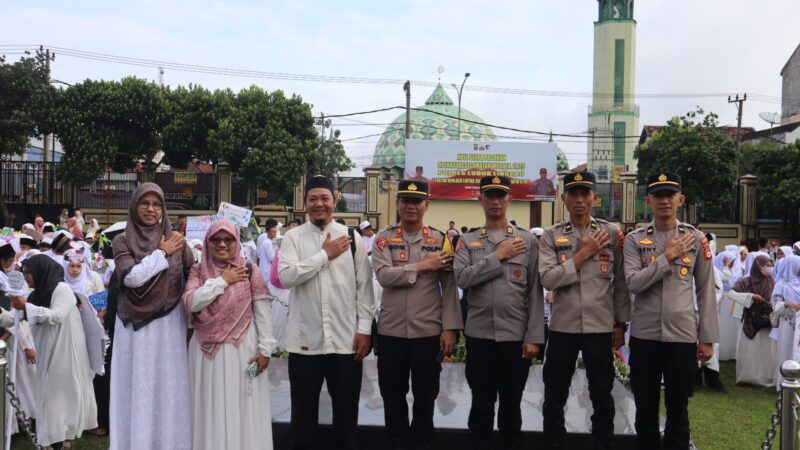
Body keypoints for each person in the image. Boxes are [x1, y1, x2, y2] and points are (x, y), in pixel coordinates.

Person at [278, 175, 375, 450]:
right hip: (304, 344)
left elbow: (364, 289)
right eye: (313, 199)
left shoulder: (352, 238)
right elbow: (286, 276)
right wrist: (324, 255)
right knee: (302, 421)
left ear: (335, 201)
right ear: (305, 203)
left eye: (325, 198)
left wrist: (364, 329)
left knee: (346, 420)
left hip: (345, 343)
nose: (319, 204)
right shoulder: (292, 239)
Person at [623, 172, 718, 450]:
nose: (665, 200)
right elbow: (633, 283)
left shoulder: (696, 239)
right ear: (648, 201)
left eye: (670, 195)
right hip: (645, 337)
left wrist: (707, 338)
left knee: (679, 410)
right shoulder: (634, 240)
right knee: (645, 410)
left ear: (680, 199)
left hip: (682, 337)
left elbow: (706, 291)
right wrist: (666, 257)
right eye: (659, 195)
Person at [538, 171, 630, 450]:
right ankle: (554, 444)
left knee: (602, 394)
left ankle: (602, 443)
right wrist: (581, 255)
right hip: (563, 327)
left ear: (595, 198)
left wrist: (620, 324)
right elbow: (548, 279)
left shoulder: (611, 233)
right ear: (563, 198)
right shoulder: (551, 236)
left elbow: (622, 282)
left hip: (600, 327)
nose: (579, 200)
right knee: (554, 394)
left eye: (584, 193)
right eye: (573, 194)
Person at [454, 175, 545, 450]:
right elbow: (462, 278)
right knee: (481, 405)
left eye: (500, 196)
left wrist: (534, 337)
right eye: (489, 195)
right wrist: (498, 256)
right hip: (480, 336)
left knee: (511, 406)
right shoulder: (468, 241)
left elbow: (534, 292)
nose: (495, 201)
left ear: (509, 200)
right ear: (480, 199)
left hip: (515, 337)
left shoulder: (527, 241)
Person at [372, 180, 463, 450]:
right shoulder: (384, 238)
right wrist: (424, 266)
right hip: (391, 332)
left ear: (426, 205)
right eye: (405, 201)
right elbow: (384, 276)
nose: (410, 206)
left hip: (428, 332)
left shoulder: (439, 240)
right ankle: (397, 442)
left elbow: (449, 288)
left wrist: (450, 328)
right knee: (392, 395)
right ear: (398, 204)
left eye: (417, 201)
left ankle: (422, 443)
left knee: (425, 397)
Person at [110, 182, 195, 450]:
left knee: (168, 389)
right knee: (138, 386)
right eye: (145, 203)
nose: (151, 209)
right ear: (134, 206)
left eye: (157, 204)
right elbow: (132, 279)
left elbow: (194, 274)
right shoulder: (122, 241)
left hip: (170, 325)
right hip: (134, 331)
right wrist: (161, 252)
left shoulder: (178, 242)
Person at [183, 219, 277, 450]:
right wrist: (222, 280)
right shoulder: (198, 270)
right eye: (216, 239)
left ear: (237, 241)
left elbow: (262, 310)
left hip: (242, 349)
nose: (222, 244)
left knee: (243, 406)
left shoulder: (249, 270)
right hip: (206, 352)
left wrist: (265, 350)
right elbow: (192, 302)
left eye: (228, 239)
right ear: (208, 242)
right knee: (209, 406)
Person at [7, 255, 98, 449]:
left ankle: (57, 441)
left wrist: (26, 307)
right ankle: (54, 441)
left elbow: (56, 315)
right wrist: (12, 312)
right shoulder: (36, 294)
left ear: (41, 270)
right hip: (47, 353)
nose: (26, 277)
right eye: (24, 273)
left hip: (64, 353)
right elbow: (15, 319)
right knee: (49, 401)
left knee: (57, 399)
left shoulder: (61, 289)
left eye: (28, 273)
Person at [725, 254, 776, 387]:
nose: (768, 268)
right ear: (758, 266)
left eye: (770, 265)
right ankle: (747, 377)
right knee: (749, 350)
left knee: (765, 351)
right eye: (766, 265)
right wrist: (750, 296)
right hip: (750, 320)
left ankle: (765, 377)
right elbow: (731, 294)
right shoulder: (745, 281)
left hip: (766, 322)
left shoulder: (771, 281)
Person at [770, 255, 800, 388]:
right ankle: (783, 382)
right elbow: (775, 307)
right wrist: (788, 304)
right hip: (787, 324)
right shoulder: (780, 285)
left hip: (799, 323)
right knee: (786, 351)